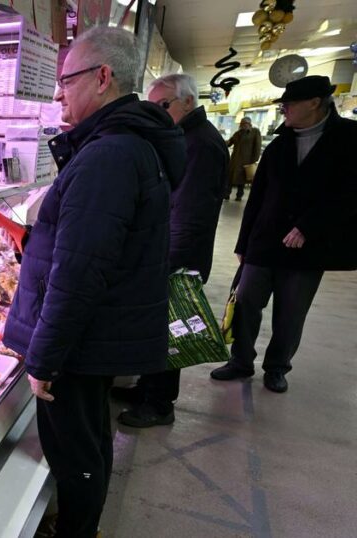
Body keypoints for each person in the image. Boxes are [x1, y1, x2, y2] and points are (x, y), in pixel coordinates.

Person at [2, 27, 185, 537]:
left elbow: (79, 272)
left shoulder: (109, 155)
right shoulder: (124, 145)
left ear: (103, 78)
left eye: (66, 80)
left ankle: (78, 531)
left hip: (81, 345)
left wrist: (44, 358)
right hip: (99, 335)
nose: (58, 92)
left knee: (77, 454)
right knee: (90, 441)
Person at [211, 76, 357, 393]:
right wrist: (243, 241)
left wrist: (308, 226)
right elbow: (260, 195)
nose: (284, 110)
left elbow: (348, 194)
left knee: (290, 312)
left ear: (315, 103)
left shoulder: (348, 139)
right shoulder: (280, 143)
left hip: (309, 245)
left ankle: (277, 367)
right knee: (247, 298)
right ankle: (240, 360)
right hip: (265, 239)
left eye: (289, 104)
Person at [115, 73, 229, 428]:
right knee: (157, 325)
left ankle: (160, 404)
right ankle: (149, 390)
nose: (157, 113)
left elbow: (190, 214)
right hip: (172, 250)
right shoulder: (185, 137)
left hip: (179, 256)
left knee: (170, 328)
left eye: (163, 106)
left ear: (188, 102)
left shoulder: (200, 144)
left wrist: (166, 262)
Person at [226, 117, 262, 201]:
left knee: (241, 180)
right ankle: (226, 194)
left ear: (249, 124)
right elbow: (229, 143)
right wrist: (223, 142)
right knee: (230, 178)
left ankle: (239, 195)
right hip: (235, 160)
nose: (243, 125)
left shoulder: (255, 132)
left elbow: (257, 146)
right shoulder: (237, 133)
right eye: (242, 124)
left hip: (246, 160)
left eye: (245, 123)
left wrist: (254, 159)